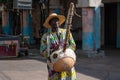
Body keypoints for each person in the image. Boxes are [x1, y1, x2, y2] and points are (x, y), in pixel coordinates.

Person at [40, 13, 77, 80]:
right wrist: (53, 50)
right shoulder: (46, 37)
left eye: (57, 20)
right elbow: (42, 52)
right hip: (54, 65)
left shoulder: (66, 32)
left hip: (67, 63)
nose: (56, 22)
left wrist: (67, 48)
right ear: (50, 23)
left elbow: (73, 45)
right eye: (53, 21)